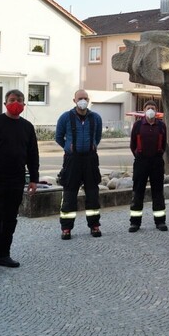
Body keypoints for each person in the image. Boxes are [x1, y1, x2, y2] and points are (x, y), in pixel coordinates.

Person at [0, 89, 39, 277]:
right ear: (5, 103)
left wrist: (34, 178)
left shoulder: (27, 127)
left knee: (10, 220)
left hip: (16, 180)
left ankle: (4, 254)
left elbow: (33, 155)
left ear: (24, 105)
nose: (15, 103)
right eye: (12, 100)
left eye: (19, 100)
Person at [55, 89, 103, 240]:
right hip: (72, 161)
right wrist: (68, 147)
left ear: (88, 100)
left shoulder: (96, 118)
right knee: (69, 194)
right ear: (74, 100)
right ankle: (66, 228)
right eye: (80, 98)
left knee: (93, 194)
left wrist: (93, 145)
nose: (83, 101)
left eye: (85, 98)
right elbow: (58, 137)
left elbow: (98, 136)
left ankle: (94, 225)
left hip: (90, 159)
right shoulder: (65, 117)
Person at [128, 100, 168, 232]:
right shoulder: (138, 125)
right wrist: (139, 156)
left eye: (153, 108)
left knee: (158, 192)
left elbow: (164, 145)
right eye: (148, 108)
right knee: (138, 192)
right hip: (141, 162)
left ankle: (160, 221)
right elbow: (132, 144)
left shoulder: (161, 126)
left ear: (156, 111)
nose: (151, 110)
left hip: (157, 162)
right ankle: (135, 223)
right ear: (144, 111)